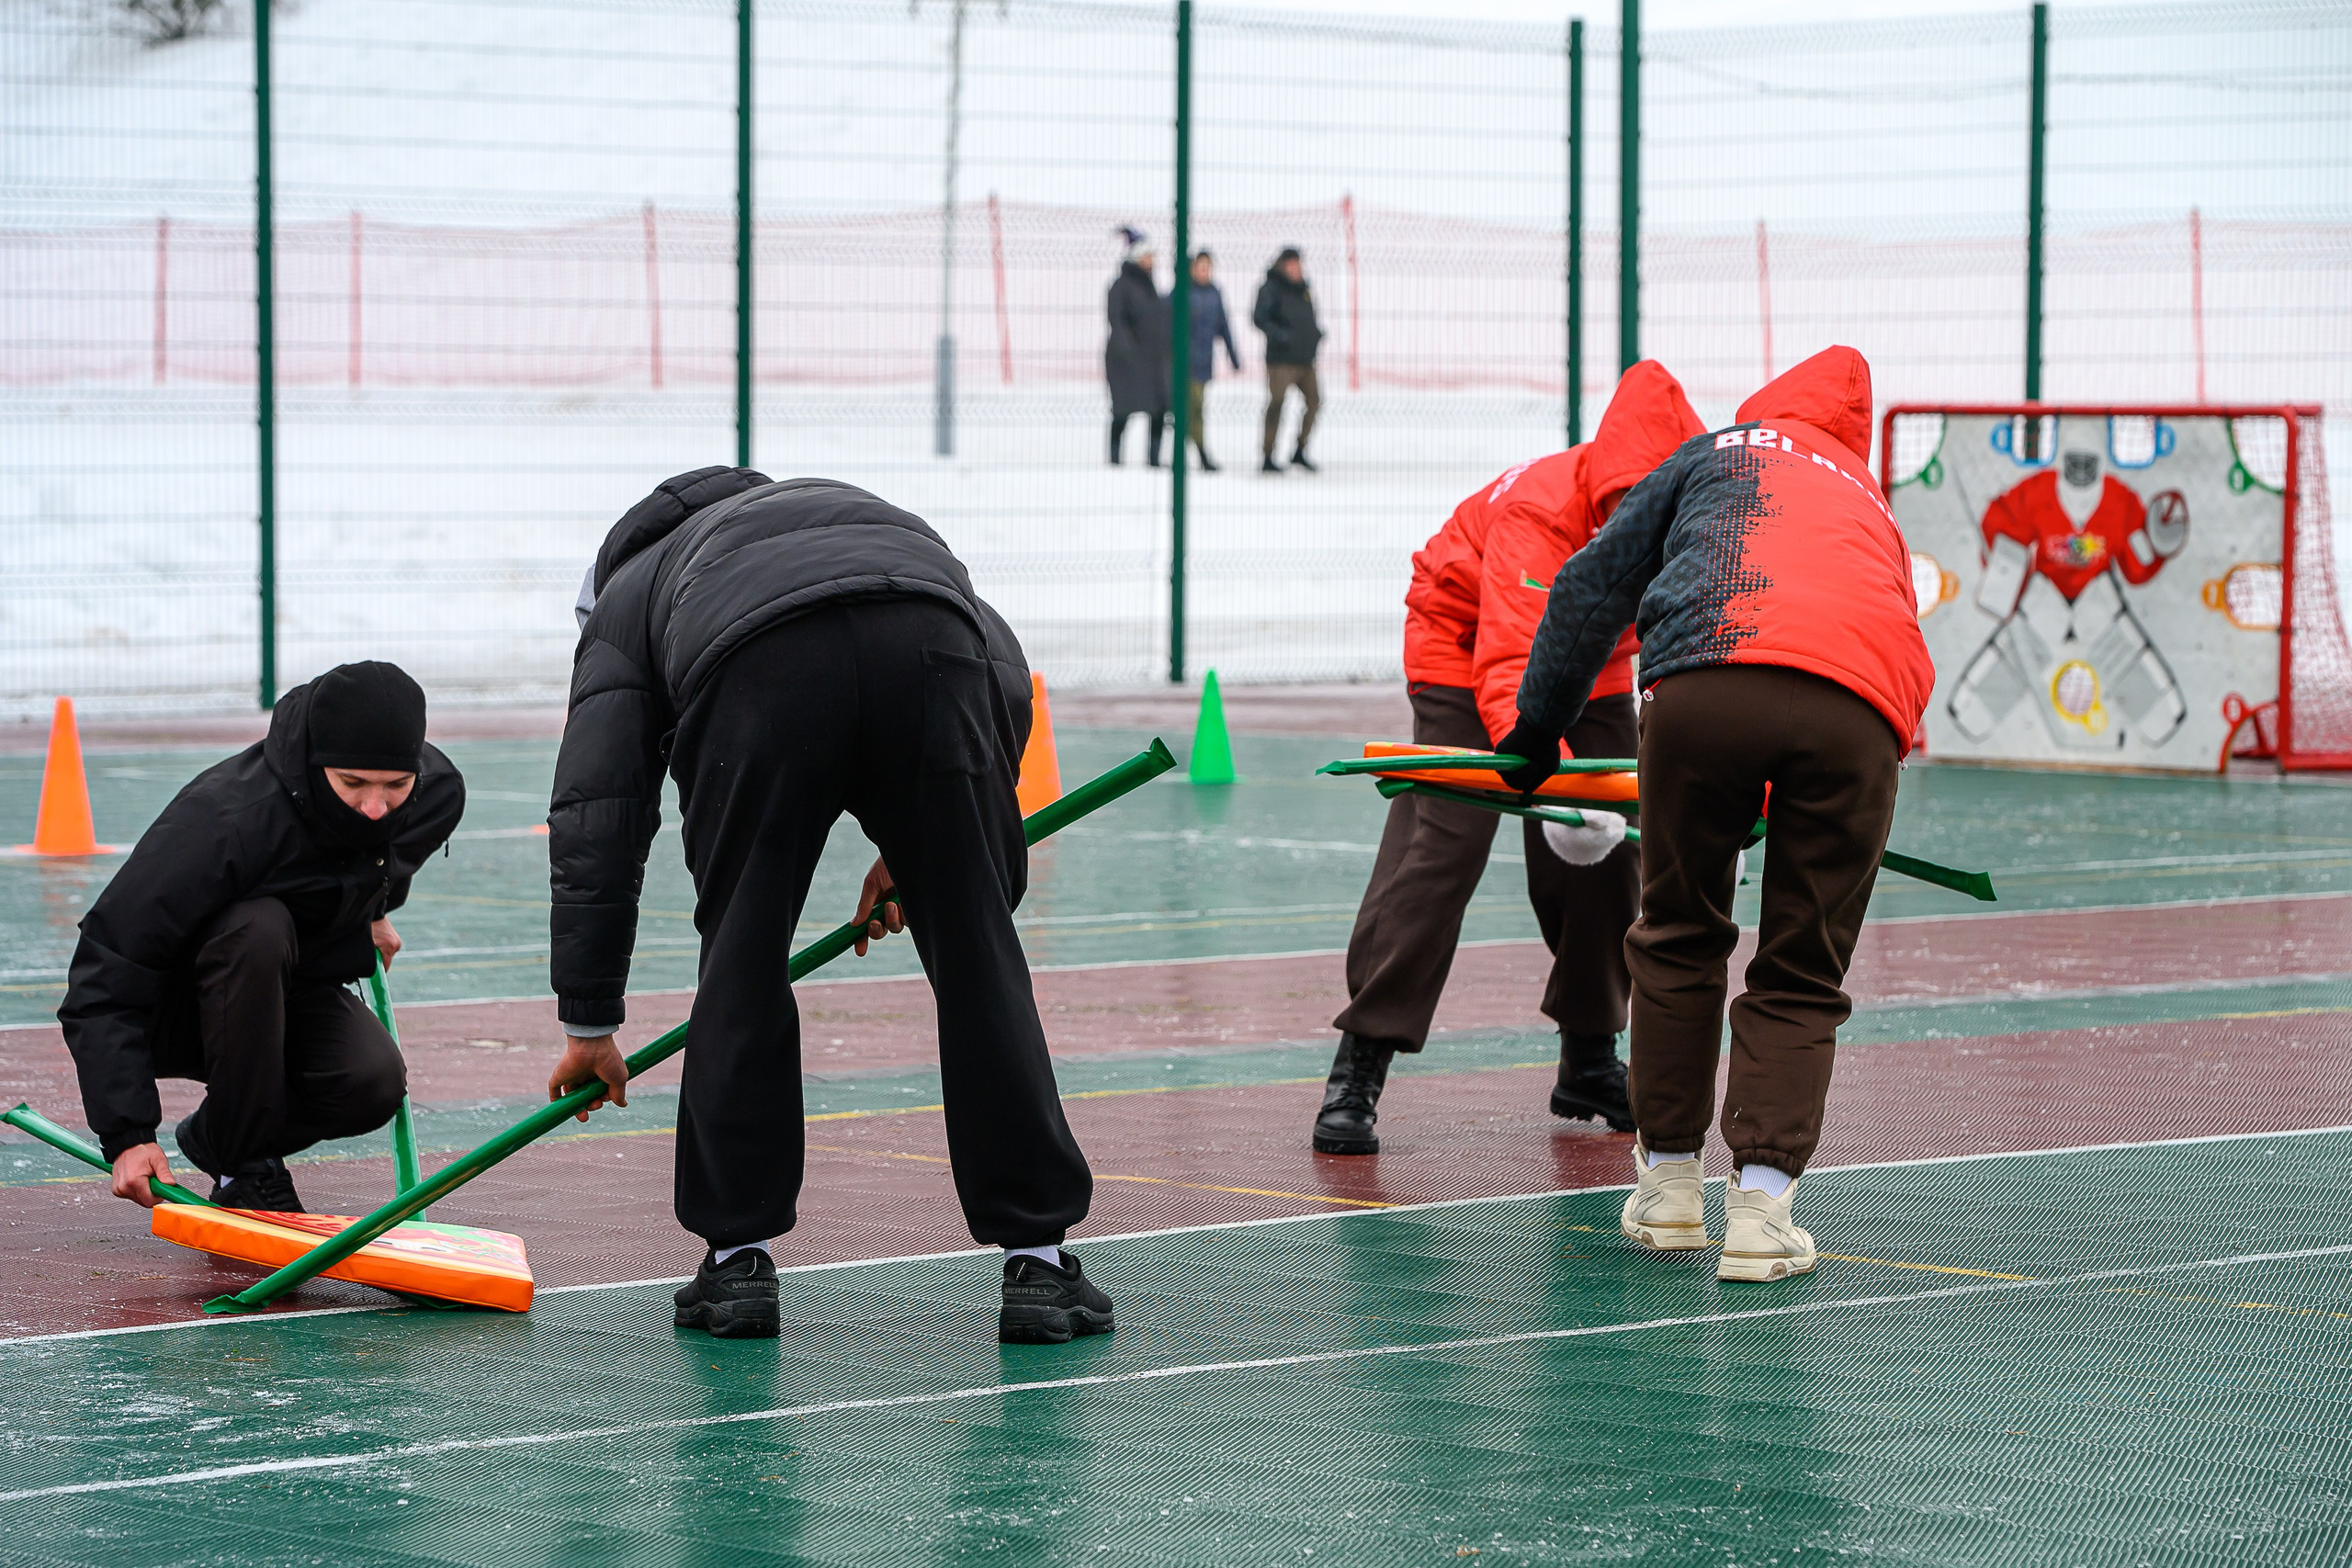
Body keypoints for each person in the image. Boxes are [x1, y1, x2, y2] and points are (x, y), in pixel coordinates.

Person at [548, 467, 1111, 1344]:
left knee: (742, 951)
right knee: (979, 957)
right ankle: (1038, 1265)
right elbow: (1000, 678)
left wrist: (589, 1021)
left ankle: (737, 1262)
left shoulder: (629, 592)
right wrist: (937, 857)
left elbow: (599, 811)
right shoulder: (854, 512)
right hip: (930, 642)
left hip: (758, 670)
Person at [1493, 345, 1934, 1283]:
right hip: (1858, 711)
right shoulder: (1865, 494)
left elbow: (1588, 586)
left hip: (1703, 684)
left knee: (1680, 933)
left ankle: (1665, 1192)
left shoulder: (1714, 454)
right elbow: (1890, 629)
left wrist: (1536, 730)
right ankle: (1764, 1216)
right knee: (1800, 964)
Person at [1317, 362, 1702, 1156]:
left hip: (1593, 661)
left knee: (1611, 841)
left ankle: (1591, 1057)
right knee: (1445, 841)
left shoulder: (1696, 509)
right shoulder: (1544, 512)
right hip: (1464, 647)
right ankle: (1361, 1060)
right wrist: (1548, 770)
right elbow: (1510, 661)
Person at [59, 662, 465, 1214]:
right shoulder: (226, 820)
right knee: (259, 927)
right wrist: (128, 1134)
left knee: (369, 1083)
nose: (376, 807)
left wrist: (373, 907)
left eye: (395, 785)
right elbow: (104, 974)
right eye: (353, 784)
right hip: (182, 1006)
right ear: (318, 760)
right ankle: (246, 1168)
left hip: (287, 986)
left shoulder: (433, 795)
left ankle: (219, 1137)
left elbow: (380, 852)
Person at [1251, 246, 1323, 473]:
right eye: (1291, 263)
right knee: (1277, 404)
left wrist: (1316, 334)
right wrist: (1279, 335)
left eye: (1298, 263)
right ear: (1282, 264)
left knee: (1315, 401)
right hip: (1281, 360)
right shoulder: (1271, 288)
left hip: (1305, 359)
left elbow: (1309, 317)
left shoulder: (1304, 288)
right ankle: (1268, 455)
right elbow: (1259, 318)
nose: (1296, 268)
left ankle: (1299, 450)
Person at [1104, 229, 1169, 467]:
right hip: (1127, 361)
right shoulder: (1121, 286)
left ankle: (1154, 459)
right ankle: (1114, 459)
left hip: (1152, 360)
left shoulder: (1151, 287)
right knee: (1123, 409)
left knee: (1158, 409)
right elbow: (1117, 321)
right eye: (1147, 256)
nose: (1151, 261)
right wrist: (1129, 351)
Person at [1184, 249, 1242, 471]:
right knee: (1192, 408)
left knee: (1196, 409)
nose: (1204, 271)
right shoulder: (1181, 292)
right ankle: (1200, 453)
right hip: (1182, 364)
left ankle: (1195, 451)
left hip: (1204, 362)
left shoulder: (1215, 293)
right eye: (1200, 266)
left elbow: (1223, 326)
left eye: (1207, 267)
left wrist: (1233, 356)